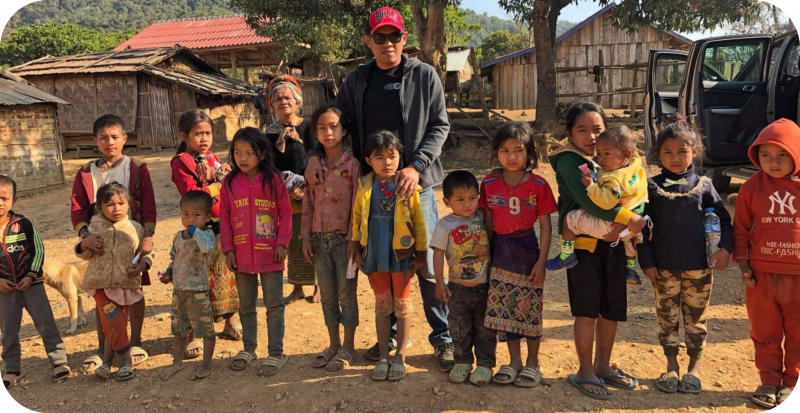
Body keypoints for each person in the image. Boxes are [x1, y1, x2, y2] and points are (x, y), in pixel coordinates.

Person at [305, 6, 453, 369]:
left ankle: (443, 338)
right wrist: (314, 153)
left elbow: (440, 125)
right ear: (368, 41)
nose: (388, 43)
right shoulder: (357, 81)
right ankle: (389, 337)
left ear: (405, 38)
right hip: (372, 190)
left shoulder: (424, 75)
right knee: (382, 261)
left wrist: (416, 167)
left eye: (395, 36)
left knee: (426, 264)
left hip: (416, 186)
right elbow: (334, 124)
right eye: (380, 37)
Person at [549, 102, 648, 400]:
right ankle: (585, 370)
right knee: (586, 310)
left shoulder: (611, 158)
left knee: (610, 308)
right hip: (584, 246)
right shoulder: (569, 161)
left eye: (597, 129)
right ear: (570, 134)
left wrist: (634, 214)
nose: (591, 137)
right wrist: (629, 218)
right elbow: (591, 203)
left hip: (613, 244)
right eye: (582, 130)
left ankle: (603, 365)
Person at [637, 120, 733, 395]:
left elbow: (725, 222)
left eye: (682, 151)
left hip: (699, 267)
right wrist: (647, 262)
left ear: (695, 152)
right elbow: (642, 229)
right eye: (667, 152)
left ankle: (694, 368)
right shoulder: (651, 188)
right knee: (666, 318)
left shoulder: (704, 186)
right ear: (658, 154)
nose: (675, 158)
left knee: (696, 318)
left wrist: (725, 249)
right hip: (663, 269)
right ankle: (671, 365)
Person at [70, 114, 155, 373]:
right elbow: (77, 207)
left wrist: (148, 236)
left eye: (115, 137)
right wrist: (86, 236)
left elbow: (148, 204)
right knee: (103, 294)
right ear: (95, 140)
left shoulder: (136, 168)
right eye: (104, 138)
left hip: (130, 237)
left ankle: (135, 343)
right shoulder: (86, 173)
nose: (110, 142)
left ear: (124, 139)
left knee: (134, 289)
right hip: (100, 241)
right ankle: (102, 348)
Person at [479, 123, 556, 388]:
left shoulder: (538, 184)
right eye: (504, 150)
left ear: (529, 152)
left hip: (527, 250)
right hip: (501, 249)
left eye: (518, 150)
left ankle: (533, 362)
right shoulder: (489, 183)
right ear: (496, 152)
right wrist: (488, 255)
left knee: (530, 307)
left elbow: (545, 225)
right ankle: (514, 361)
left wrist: (541, 262)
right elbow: (488, 221)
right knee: (505, 307)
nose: (511, 156)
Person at [349, 131, 428, 381]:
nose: (387, 162)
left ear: (400, 157)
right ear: (368, 160)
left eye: (392, 156)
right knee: (383, 305)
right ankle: (384, 355)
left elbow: (419, 221)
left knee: (402, 304)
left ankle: (400, 356)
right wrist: (355, 246)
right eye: (379, 157)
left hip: (401, 254)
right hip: (375, 252)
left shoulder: (407, 185)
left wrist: (422, 252)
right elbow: (357, 218)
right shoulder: (364, 185)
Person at [734, 118, 800, 409]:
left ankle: (792, 384)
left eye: (783, 154)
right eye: (766, 155)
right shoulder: (751, 188)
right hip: (762, 277)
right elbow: (740, 229)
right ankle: (769, 381)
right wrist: (744, 265)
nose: (773, 162)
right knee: (765, 332)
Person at [220, 127, 292, 377]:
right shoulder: (230, 183)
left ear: (261, 153)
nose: (242, 158)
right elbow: (225, 217)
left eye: (248, 153)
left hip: (270, 253)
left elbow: (286, 212)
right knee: (247, 305)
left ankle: (276, 352)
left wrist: (282, 243)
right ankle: (249, 348)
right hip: (240, 255)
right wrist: (228, 249)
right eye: (237, 152)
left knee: (274, 305)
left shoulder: (274, 180)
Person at [171, 109, 241, 358]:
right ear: (184, 135)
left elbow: (224, 185)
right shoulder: (182, 162)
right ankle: (195, 333)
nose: (204, 138)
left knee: (226, 272)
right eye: (198, 133)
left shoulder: (212, 158)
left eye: (208, 133)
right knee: (197, 278)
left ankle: (230, 319)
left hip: (221, 223)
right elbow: (193, 193)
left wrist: (217, 178)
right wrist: (217, 181)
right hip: (198, 226)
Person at [547, 125, 648, 285]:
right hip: (632, 223)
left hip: (611, 223)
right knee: (628, 242)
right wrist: (635, 215)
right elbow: (642, 194)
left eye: (606, 154)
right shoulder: (635, 168)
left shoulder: (613, 178)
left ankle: (566, 255)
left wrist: (591, 186)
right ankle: (630, 268)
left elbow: (605, 203)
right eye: (599, 153)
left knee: (570, 220)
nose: (600, 158)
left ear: (627, 153)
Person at [301, 105, 360, 371]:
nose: (328, 132)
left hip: (344, 242)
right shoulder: (314, 167)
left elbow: (358, 207)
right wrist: (305, 237)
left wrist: (354, 240)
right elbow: (308, 203)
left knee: (346, 294)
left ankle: (348, 347)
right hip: (318, 240)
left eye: (334, 126)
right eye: (322, 128)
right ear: (315, 133)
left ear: (344, 129)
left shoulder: (353, 165)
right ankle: (333, 344)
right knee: (327, 295)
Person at [76, 183, 152, 381]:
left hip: (125, 283)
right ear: (100, 207)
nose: (116, 208)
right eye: (109, 204)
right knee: (114, 317)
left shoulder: (135, 228)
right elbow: (84, 255)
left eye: (121, 203)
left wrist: (143, 265)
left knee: (114, 324)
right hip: (100, 284)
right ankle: (126, 360)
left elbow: (145, 255)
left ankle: (107, 363)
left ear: (129, 205)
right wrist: (84, 244)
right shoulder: (94, 227)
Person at [0, 175, 70, 389]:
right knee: (8, 330)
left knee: (46, 323)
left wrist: (30, 276)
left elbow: (38, 250)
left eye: (4, 198)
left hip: (33, 286)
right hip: (4, 291)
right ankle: (13, 368)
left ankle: (59, 362)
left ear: (14, 199)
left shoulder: (23, 224)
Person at [431, 170, 494, 386]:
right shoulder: (445, 225)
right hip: (457, 287)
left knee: (485, 329)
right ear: (447, 202)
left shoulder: (483, 217)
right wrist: (439, 282)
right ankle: (463, 361)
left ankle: (485, 364)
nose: (467, 204)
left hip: (484, 286)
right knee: (459, 327)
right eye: (460, 200)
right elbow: (438, 253)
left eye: (472, 198)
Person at [264, 75, 319, 304]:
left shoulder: (309, 127)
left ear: (298, 102)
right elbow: (268, 164)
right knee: (293, 239)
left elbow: (318, 156)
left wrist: (306, 187)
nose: (284, 102)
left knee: (313, 238)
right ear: (272, 105)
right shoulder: (269, 133)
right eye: (278, 99)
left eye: (288, 98)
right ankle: (297, 287)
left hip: (312, 191)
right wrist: (285, 190)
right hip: (285, 193)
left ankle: (318, 286)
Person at [160, 191, 218, 381]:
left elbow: (207, 248)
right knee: (179, 330)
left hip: (198, 291)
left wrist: (196, 232)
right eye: (185, 214)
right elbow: (175, 258)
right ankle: (177, 362)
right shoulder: (178, 237)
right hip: (179, 291)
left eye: (196, 215)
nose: (190, 219)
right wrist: (169, 273)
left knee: (206, 330)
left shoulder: (206, 234)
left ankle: (206, 364)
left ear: (207, 217)